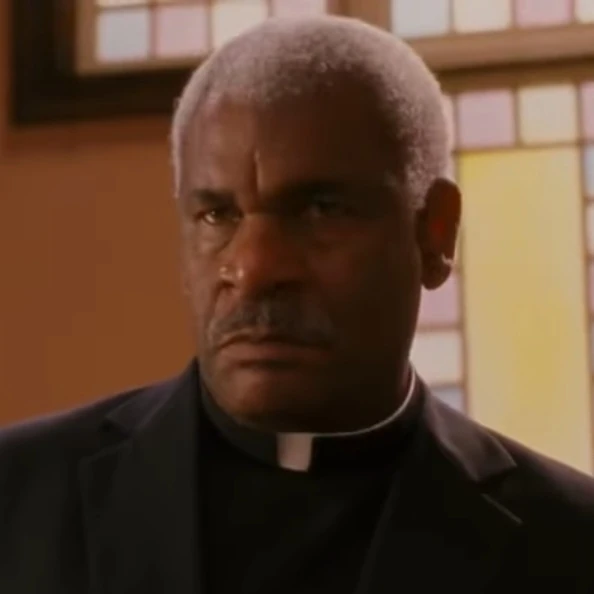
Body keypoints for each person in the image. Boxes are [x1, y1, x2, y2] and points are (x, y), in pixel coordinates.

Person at [1, 15, 594, 594]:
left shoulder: (570, 542)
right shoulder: (16, 498)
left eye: (321, 209)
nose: (254, 269)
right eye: (217, 214)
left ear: (435, 233)